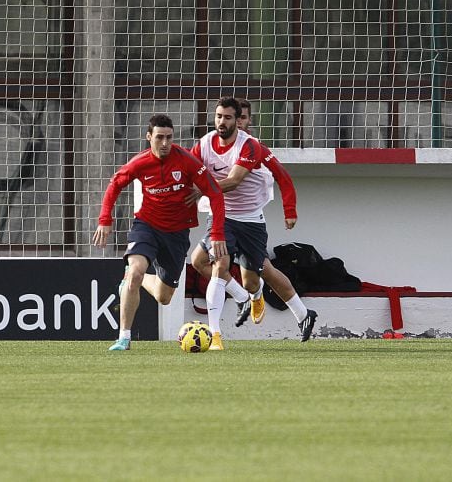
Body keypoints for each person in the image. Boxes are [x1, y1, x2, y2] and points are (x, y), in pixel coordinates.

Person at [187, 97, 317, 350]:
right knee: (212, 263)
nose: (222, 122)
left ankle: (295, 311)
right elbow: (187, 168)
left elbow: (253, 179)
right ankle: (215, 335)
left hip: (250, 219)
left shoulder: (252, 147)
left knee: (255, 277)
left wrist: (289, 209)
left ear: (241, 120)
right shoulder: (204, 144)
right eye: (219, 117)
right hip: (222, 215)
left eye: (230, 117)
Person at [93, 114, 227, 351]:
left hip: (176, 234)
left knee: (164, 297)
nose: (165, 143)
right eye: (159, 138)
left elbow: (215, 193)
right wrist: (105, 219)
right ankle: (124, 338)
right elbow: (115, 183)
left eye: (169, 138)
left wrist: (217, 233)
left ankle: (138, 277)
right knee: (135, 272)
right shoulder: (140, 163)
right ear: (149, 137)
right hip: (146, 227)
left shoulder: (187, 161)